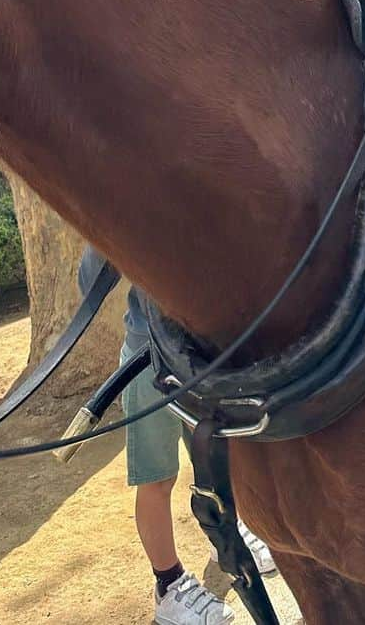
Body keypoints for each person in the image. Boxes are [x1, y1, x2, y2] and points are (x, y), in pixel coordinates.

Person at [78, 249, 276, 625]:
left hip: (201, 357)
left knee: (220, 459)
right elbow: (91, 279)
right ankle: (168, 586)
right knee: (157, 479)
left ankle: (230, 535)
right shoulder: (127, 201)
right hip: (148, 358)